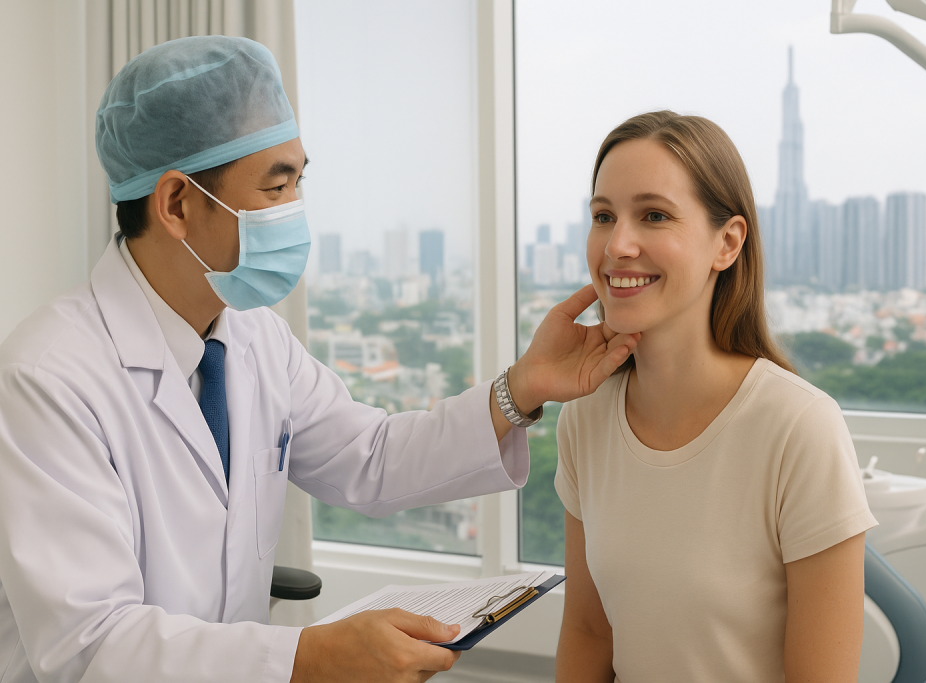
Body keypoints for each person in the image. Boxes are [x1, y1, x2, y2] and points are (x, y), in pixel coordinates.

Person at [0, 36, 640, 683]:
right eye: (277, 186)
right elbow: (90, 646)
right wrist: (308, 657)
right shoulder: (49, 377)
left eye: (299, 180)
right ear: (175, 204)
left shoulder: (254, 338)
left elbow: (374, 459)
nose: (296, 210)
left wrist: (522, 388)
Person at [553, 111, 878, 682]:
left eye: (653, 215)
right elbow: (589, 632)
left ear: (726, 243)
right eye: (603, 216)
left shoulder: (799, 426)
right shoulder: (585, 417)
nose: (618, 244)